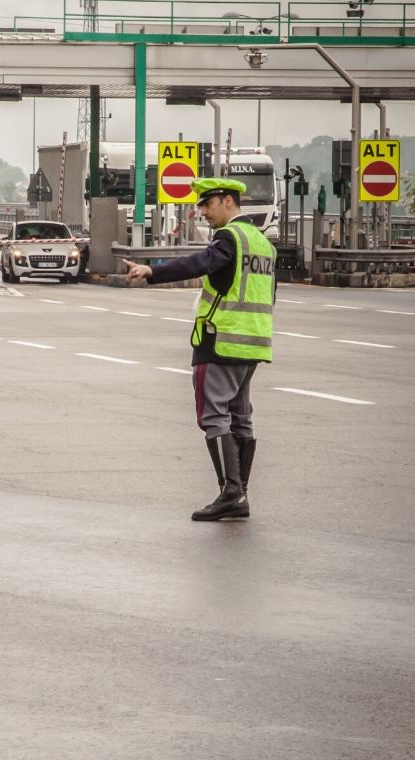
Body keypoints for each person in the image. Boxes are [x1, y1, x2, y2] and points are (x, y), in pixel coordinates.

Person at [122, 177, 275, 521]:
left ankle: (232, 494)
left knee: (214, 416)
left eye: (206, 203)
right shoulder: (262, 242)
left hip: (220, 339)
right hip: (253, 343)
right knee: (240, 416)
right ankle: (239, 494)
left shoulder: (229, 237)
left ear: (227, 201)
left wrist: (151, 271)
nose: (201, 211)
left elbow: (200, 263)